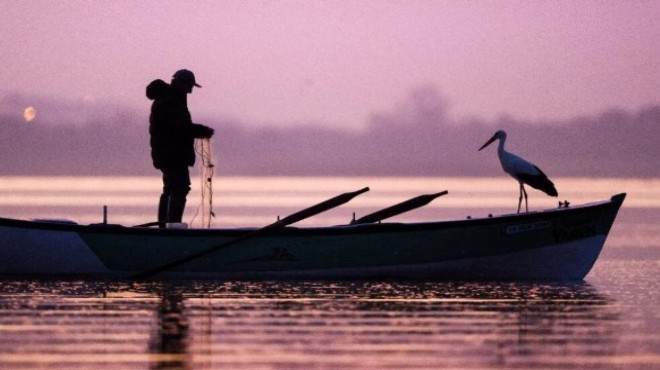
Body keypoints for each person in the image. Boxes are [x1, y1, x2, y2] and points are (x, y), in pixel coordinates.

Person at [146, 69, 214, 226]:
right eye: (189, 86)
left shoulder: (169, 99)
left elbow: (179, 127)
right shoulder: (170, 101)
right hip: (172, 154)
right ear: (180, 83)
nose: (191, 90)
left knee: (170, 188)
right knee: (180, 187)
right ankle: (172, 225)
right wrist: (202, 131)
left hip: (168, 154)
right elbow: (179, 127)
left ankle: (165, 225)